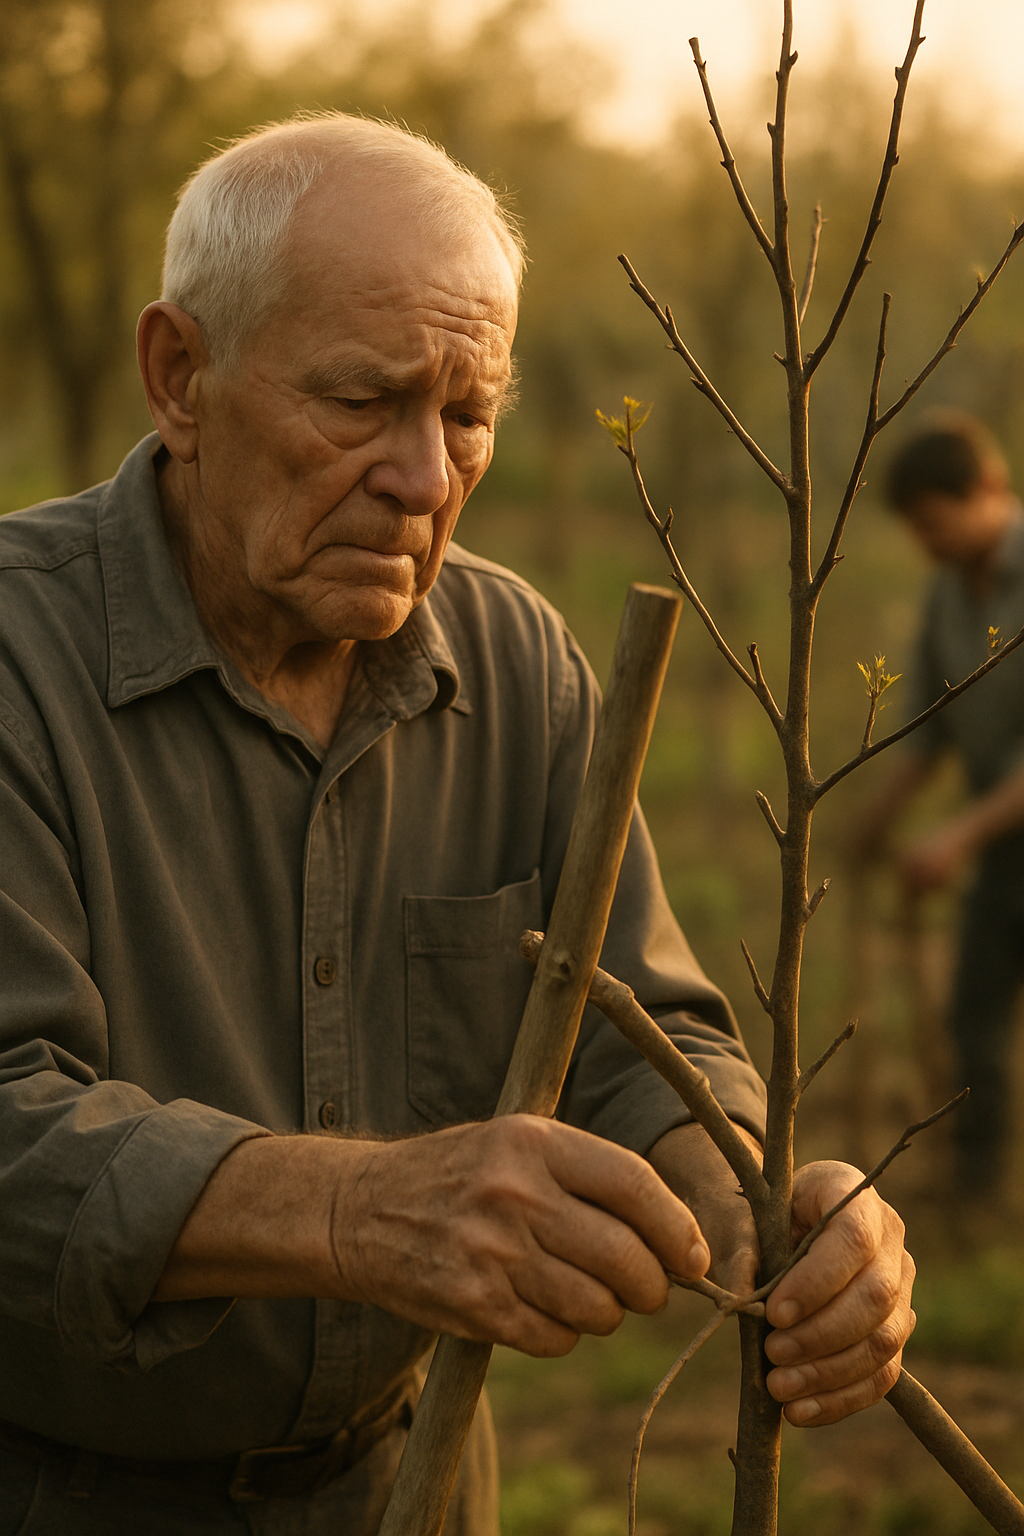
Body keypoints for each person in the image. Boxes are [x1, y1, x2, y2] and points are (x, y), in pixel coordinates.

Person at [0, 114, 914, 1535]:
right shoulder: (16, 664)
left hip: (409, 1492)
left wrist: (766, 1207)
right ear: (181, 376)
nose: (426, 476)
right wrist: (359, 1215)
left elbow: (638, 1044)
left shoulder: (516, 662)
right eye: (362, 401)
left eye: (466, 413)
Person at [854, 411, 1024, 1198]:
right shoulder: (948, 597)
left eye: (934, 522)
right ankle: (979, 1191)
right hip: (1006, 843)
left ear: (988, 488)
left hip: (992, 824)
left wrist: (953, 837)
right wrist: (876, 822)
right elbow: (927, 732)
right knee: (973, 1020)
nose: (927, 543)